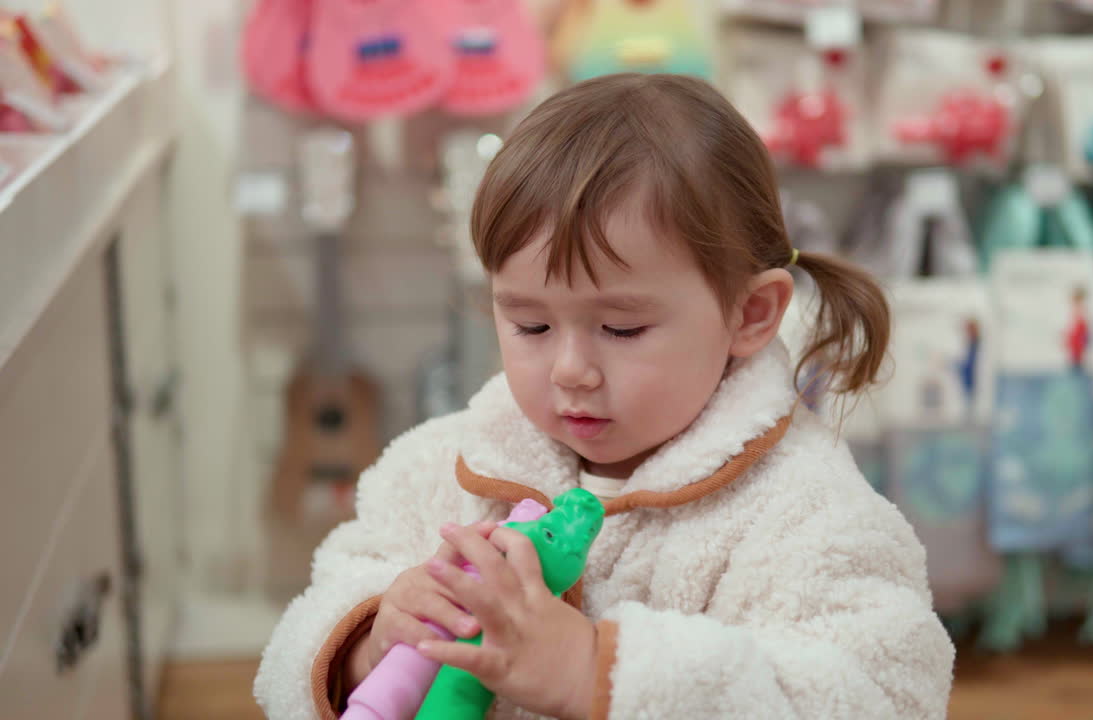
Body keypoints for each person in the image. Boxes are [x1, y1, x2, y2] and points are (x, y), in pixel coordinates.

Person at [254, 73, 953, 720]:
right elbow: (307, 626)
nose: (570, 370)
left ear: (750, 315)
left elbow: (882, 691)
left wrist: (598, 669)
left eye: (620, 328)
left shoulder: (807, 514)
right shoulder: (440, 468)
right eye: (529, 323)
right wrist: (370, 642)